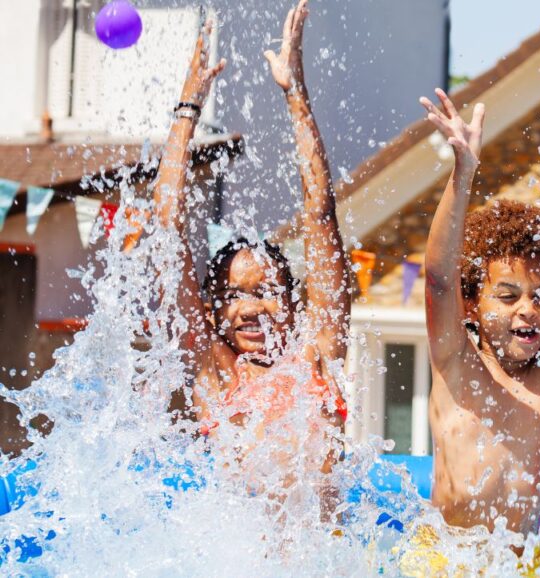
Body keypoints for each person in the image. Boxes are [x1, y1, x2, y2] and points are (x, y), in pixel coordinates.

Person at [409, 86, 540, 571]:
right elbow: (440, 279)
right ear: (471, 303)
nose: (527, 309)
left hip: (519, 566)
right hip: (442, 563)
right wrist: (462, 173)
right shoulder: (455, 361)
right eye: (507, 296)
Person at [151, 1, 349, 497]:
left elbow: (320, 214)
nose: (251, 308)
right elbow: (165, 229)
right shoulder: (215, 372)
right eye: (234, 295)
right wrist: (186, 111)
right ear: (215, 310)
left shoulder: (318, 353)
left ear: (293, 301)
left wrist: (295, 94)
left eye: (265, 290)